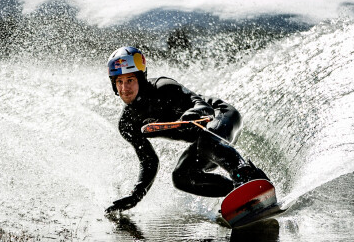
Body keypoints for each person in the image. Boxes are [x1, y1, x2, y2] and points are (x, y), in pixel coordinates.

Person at [105, 46, 268, 213]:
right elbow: (149, 162)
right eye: (119, 81)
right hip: (206, 144)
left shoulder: (164, 87)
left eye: (130, 80)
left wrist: (193, 114)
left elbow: (204, 107)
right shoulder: (127, 125)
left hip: (222, 117)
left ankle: (247, 176)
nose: (124, 88)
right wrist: (136, 195)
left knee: (205, 140)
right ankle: (237, 193)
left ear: (140, 78)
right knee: (181, 177)